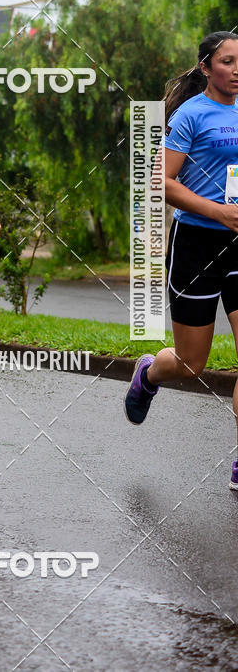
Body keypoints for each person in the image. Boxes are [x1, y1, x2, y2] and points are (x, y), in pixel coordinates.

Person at [125, 31, 238, 487]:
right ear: (206, 67)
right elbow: (161, 181)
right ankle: (149, 374)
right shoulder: (191, 114)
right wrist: (218, 212)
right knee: (192, 363)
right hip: (197, 245)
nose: (237, 69)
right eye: (228, 61)